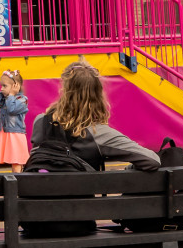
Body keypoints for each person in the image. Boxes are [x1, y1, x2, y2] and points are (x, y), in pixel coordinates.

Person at [26, 60, 160, 237]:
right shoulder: (99, 133)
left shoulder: (41, 122)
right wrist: (129, 168)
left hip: (34, 222)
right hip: (78, 224)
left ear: (65, 90)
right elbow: (153, 161)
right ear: (98, 94)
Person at [0, 69, 29, 173]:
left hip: (15, 134)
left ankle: (17, 182)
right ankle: (16, 181)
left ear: (16, 86)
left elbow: (12, 110)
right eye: (1, 85)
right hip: (7, 133)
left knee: (16, 161)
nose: (1, 88)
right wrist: (4, 93)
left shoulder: (22, 99)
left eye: (4, 86)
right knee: (13, 161)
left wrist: (11, 94)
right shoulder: (6, 98)